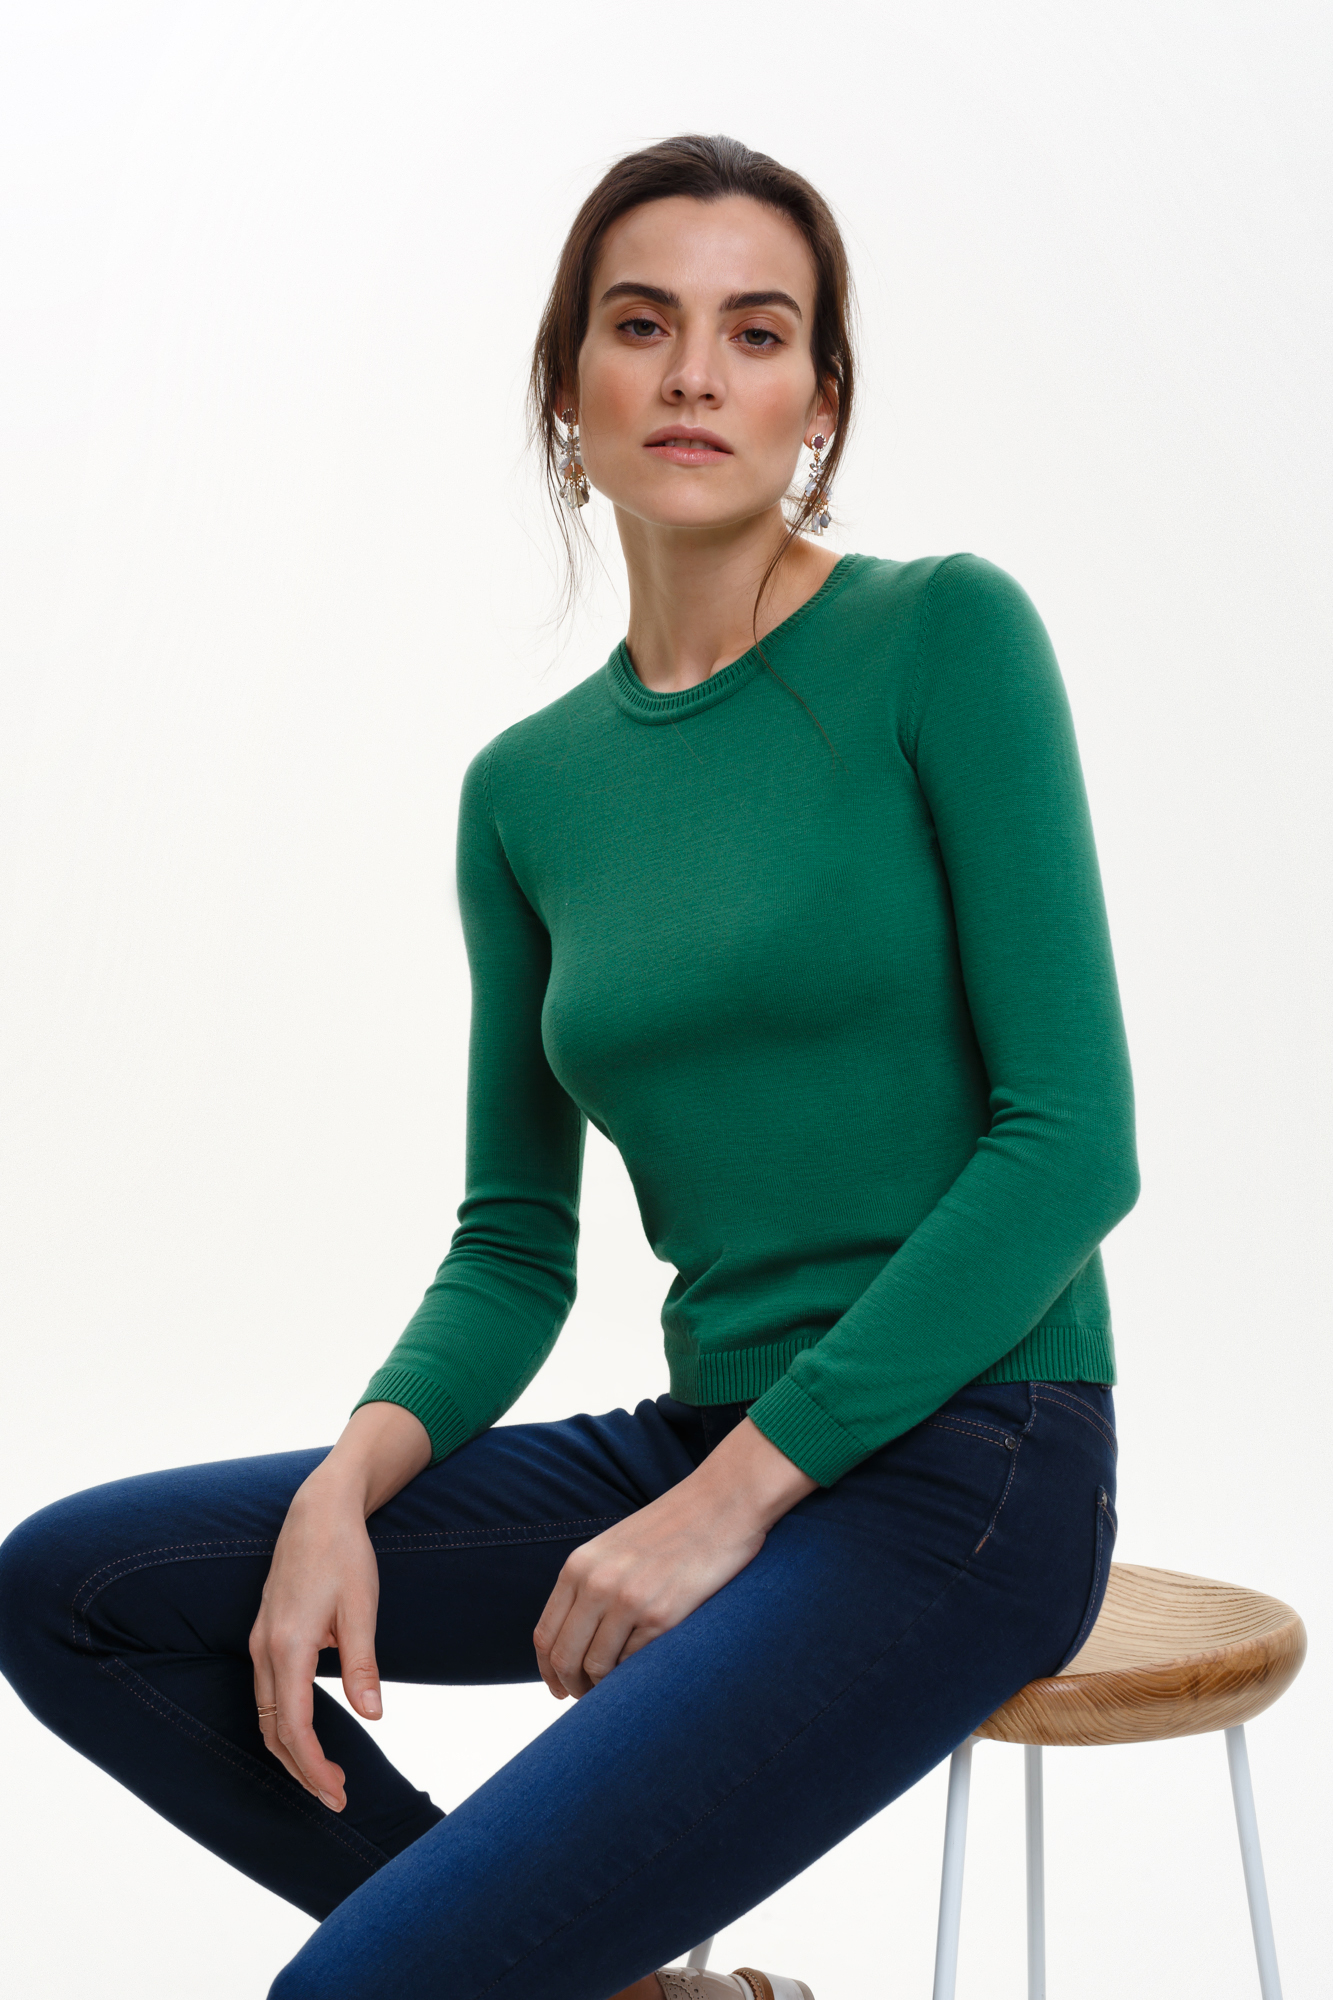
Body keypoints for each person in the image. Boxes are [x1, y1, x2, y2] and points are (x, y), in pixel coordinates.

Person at [0, 134, 1138, 2000]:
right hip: (708, 1433)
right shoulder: (526, 790)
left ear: (819, 404)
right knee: (78, 1592)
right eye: (640, 324)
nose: (694, 374)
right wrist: (343, 1485)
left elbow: (1072, 1144)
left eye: (754, 333)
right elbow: (514, 1243)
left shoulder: (942, 635)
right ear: (566, 387)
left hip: (973, 1463)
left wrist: (721, 1508)